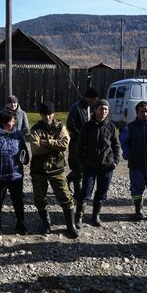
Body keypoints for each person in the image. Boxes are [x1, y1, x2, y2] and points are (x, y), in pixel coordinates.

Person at [29, 101, 77, 238]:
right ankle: (45, 224)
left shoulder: (60, 127)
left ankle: (70, 226)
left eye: (49, 114)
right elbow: (35, 149)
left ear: (53, 114)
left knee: (66, 197)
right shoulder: (35, 129)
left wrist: (46, 141)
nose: (47, 117)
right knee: (39, 199)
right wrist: (55, 145)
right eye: (44, 114)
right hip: (39, 171)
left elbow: (65, 145)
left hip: (57, 169)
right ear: (41, 115)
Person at [0, 109, 30, 241]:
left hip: (16, 175)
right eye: (10, 121)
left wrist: (25, 159)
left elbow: (24, 151)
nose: (12, 123)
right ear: (2, 123)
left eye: (13, 121)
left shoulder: (18, 135)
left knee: (18, 200)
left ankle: (20, 223)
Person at [75, 99, 121, 228]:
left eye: (106, 109)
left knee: (101, 192)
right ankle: (78, 217)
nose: (103, 112)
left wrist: (115, 161)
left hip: (107, 167)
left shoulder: (111, 126)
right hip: (90, 166)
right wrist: (82, 162)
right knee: (85, 192)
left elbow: (116, 146)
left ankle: (95, 216)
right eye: (101, 109)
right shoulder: (87, 126)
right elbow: (79, 146)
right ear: (95, 110)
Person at [66, 87, 99, 200]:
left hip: (87, 143)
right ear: (87, 98)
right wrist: (81, 135)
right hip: (76, 142)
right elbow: (70, 125)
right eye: (94, 99)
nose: (95, 102)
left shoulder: (90, 108)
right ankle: (77, 192)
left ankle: (68, 180)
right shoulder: (76, 107)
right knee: (77, 166)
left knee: (83, 167)